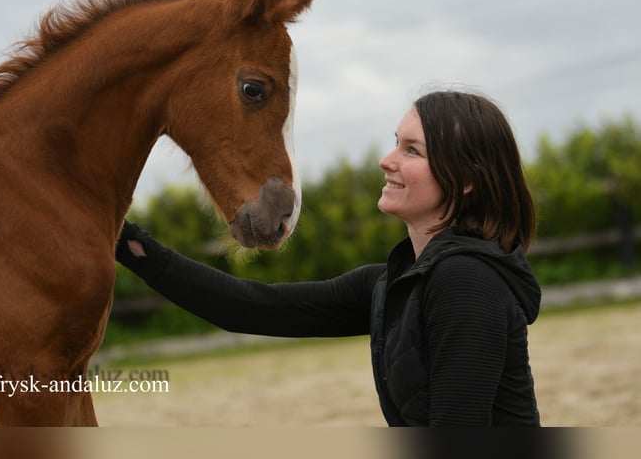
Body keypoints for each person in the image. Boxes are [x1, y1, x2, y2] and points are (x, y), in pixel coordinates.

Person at [115, 90, 541, 427]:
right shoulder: (397, 283)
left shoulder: (466, 281)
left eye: (413, 150)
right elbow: (251, 307)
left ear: (466, 179)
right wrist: (124, 238)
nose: (386, 159)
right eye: (396, 143)